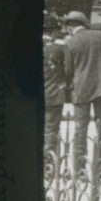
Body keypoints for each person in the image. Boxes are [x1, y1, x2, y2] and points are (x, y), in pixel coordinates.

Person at [63, 10, 101, 176]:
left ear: (71, 26)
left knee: (80, 129)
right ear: (84, 23)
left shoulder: (70, 42)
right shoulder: (100, 35)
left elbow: (68, 70)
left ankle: (80, 170)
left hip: (81, 90)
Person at [42, 27, 70, 167]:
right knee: (51, 129)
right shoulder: (59, 50)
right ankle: (48, 163)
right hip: (54, 94)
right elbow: (69, 69)